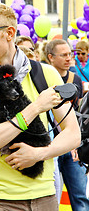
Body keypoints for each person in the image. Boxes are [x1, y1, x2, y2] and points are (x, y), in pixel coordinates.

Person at [0, 2, 80, 211]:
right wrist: (35, 108)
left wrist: (38, 154)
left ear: (9, 33)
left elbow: (73, 134)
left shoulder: (45, 73)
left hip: (45, 196)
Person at [46, 39, 89, 210]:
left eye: (70, 54)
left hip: (72, 145)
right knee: (52, 197)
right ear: (50, 57)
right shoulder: (43, 77)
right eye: (63, 55)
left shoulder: (75, 78)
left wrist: (79, 142)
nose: (69, 58)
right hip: (52, 145)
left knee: (80, 197)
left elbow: (79, 111)